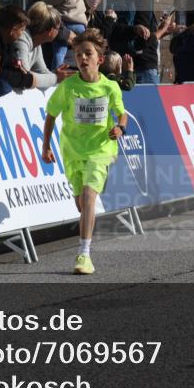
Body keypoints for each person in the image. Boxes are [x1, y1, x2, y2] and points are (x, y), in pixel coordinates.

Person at [42, 29, 128, 275]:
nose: (82, 58)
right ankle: (88, 226)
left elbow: (121, 113)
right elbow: (51, 115)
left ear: (99, 59)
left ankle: (84, 255)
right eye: (78, 54)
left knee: (90, 196)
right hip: (72, 150)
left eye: (88, 53)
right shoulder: (68, 87)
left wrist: (120, 128)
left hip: (100, 149)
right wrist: (45, 146)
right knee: (81, 203)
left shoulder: (110, 87)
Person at [116, 0, 178, 84]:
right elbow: (145, 40)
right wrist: (163, 28)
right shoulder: (143, 2)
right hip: (145, 66)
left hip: (129, 64)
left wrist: (163, 31)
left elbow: (140, 33)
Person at [39, 0, 89, 70]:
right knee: (82, 51)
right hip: (81, 26)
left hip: (66, 25)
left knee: (59, 51)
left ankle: (56, 71)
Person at [12, 2, 74, 88]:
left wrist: (56, 75)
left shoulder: (37, 44)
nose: (59, 31)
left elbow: (42, 71)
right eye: (58, 28)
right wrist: (55, 77)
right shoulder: (21, 40)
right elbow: (25, 77)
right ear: (51, 31)